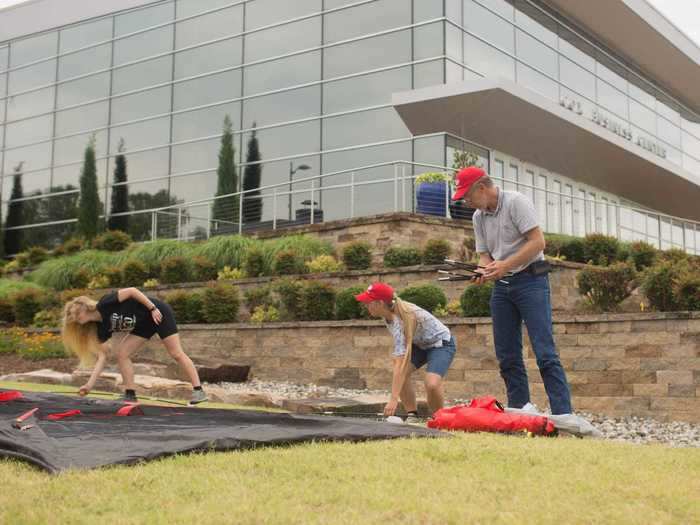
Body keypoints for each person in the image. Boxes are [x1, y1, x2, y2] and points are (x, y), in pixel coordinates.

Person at [451, 166, 593, 431]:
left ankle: (563, 413)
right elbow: (484, 255)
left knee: (544, 351)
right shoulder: (478, 217)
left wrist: (505, 264)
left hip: (532, 281)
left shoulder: (517, 203)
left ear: (482, 188)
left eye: (467, 196)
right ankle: (519, 407)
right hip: (502, 287)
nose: (465, 201)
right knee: (507, 353)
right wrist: (484, 270)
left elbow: (538, 242)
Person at [61, 287, 208, 405]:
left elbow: (132, 291)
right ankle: (130, 395)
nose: (76, 320)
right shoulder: (101, 328)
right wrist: (88, 385)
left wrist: (152, 308)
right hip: (143, 324)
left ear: (84, 309)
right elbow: (102, 357)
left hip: (158, 312)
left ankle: (198, 391)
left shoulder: (106, 303)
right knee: (122, 353)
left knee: (176, 353)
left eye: (76, 315)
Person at [355, 282, 456, 422]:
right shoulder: (388, 316)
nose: (365, 305)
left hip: (441, 344)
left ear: (379, 303)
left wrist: (393, 399)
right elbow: (399, 364)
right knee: (401, 374)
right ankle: (412, 415)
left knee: (432, 383)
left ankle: (440, 419)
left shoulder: (404, 317)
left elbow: (400, 363)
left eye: (368, 302)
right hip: (419, 345)